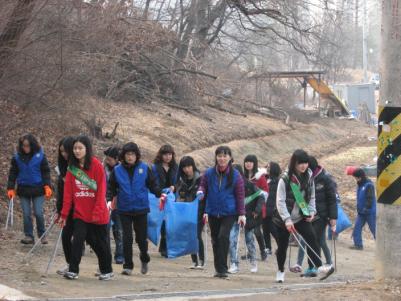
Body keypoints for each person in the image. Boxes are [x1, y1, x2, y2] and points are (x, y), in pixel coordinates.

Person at [273, 149, 333, 283]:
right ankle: (280, 270)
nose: (303, 166)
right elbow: (280, 201)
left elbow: (312, 196)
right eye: (300, 163)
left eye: (305, 163)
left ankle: (319, 267)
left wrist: (311, 212)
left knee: (312, 237)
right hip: (284, 219)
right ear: (294, 163)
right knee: (282, 247)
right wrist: (287, 219)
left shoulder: (309, 176)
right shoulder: (285, 179)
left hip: (300, 217)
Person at [60, 135, 113, 281]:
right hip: (80, 214)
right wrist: (64, 214)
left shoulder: (96, 166)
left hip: (97, 213)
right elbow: (68, 194)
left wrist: (96, 211)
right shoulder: (72, 169)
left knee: (99, 244)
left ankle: (107, 270)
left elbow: (101, 190)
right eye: (75, 148)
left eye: (80, 148)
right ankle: (73, 270)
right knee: (77, 240)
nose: (77, 151)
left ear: (87, 149)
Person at [107, 142, 164, 276]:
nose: (130, 157)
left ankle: (144, 258)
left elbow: (153, 184)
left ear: (136, 155)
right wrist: (109, 200)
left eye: (132, 154)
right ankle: (128, 266)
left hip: (141, 208)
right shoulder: (117, 170)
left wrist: (160, 193)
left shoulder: (144, 168)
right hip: (124, 209)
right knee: (127, 238)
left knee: (141, 238)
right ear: (123, 156)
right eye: (127, 154)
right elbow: (111, 187)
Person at [197, 146, 245, 279]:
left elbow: (240, 195)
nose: (222, 158)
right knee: (215, 240)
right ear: (216, 157)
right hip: (212, 211)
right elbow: (203, 185)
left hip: (229, 212)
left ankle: (223, 269)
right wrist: (201, 191)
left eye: (225, 156)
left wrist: (242, 213)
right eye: (219, 155)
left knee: (223, 237)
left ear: (230, 158)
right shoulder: (209, 173)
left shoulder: (236, 175)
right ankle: (218, 269)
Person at [292, 156, 337, 276]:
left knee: (311, 239)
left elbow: (332, 199)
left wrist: (333, 218)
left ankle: (313, 267)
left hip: (321, 216)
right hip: (308, 215)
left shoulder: (325, 180)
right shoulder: (304, 179)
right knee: (319, 241)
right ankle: (326, 265)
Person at [7, 134, 52, 244]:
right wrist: (10, 188)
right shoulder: (17, 157)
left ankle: (42, 235)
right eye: (23, 146)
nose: (25, 148)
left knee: (38, 212)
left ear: (32, 145)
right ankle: (29, 236)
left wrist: (47, 185)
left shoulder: (40, 156)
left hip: (38, 189)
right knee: (26, 213)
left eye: (27, 146)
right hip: (23, 189)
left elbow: (46, 171)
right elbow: (13, 173)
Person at [229, 164, 264, 274]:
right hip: (234, 216)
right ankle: (234, 263)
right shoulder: (229, 186)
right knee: (232, 240)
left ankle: (253, 261)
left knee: (249, 240)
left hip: (248, 217)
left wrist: (257, 211)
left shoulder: (250, 185)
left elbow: (261, 196)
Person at [175, 156, 205, 269]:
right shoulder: (181, 181)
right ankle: (194, 261)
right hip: (187, 212)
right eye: (184, 167)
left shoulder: (201, 179)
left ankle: (201, 260)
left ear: (193, 166)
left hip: (199, 211)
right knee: (190, 235)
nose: (187, 169)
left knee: (196, 235)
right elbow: (179, 196)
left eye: (189, 166)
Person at [152, 144, 178, 257]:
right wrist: (159, 192)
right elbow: (152, 182)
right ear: (161, 155)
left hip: (171, 198)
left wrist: (174, 187)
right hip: (159, 197)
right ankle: (164, 246)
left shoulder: (175, 167)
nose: (168, 157)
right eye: (165, 154)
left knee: (170, 222)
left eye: (170, 154)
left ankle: (165, 247)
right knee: (162, 221)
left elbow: (179, 181)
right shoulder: (155, 167)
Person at [55, 136, 75, 275]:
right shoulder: (62, 168)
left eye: (66, 151)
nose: (64, 154)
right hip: (67, 209)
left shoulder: (81, 166)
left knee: (92, 239)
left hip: (82, 208)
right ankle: (70, 265)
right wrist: (59, 210)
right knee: (66, 237)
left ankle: (103, 264)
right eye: (61, 151)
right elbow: (60, 193)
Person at [243, 155, 269, 261]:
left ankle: (263, 250)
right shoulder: (242, 176)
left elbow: (265, 192)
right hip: (245, 208)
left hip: (257, 209)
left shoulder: (260, 177)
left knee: (257, 231)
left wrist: (257, 206)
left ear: (255, 164)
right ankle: (250, 251)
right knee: (247, 231)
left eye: (251, 162)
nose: (248, 164)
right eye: (246, 162)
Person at [103, 146, 124, 265]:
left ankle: (120, 254)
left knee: (119, 230)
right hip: (105, 202)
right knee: (105, 229)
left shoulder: (121, 170)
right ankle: (106, 255)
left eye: (110, 159)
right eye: (107, 159)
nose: (107, 161)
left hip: (120, 203)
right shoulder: (103, 168)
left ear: (117, 159)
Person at [350, 168, 376, 250]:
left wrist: (366, 208)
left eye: (356, 177)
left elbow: (370, 198)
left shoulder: (369, 185)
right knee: (357, 228)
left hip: (369, 212)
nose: (355, 179)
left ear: (360, 177)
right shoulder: (360, 184)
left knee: (374, 229)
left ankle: (382, 246)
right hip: (361, 212)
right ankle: (358, 245)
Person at [264, 162, 280, 254]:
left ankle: (281, 246)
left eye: (269, 167)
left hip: (271, 209)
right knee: (265, 229)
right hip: (264, 207)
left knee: (272, 229)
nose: (267, 168)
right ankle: (268, 248)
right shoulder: (266, 179)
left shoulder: (277, 181)